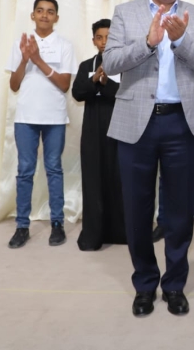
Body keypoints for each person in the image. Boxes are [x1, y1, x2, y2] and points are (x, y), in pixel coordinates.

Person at [103, 0, 194, 318]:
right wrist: (149, 42)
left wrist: (182, 40)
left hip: (181, 122)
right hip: (136, 122)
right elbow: (111, 62)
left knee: (180, 211)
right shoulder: (126, 13)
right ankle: (144, 284)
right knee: (137, 209)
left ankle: (174, 285)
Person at [5, 0, 78, 249]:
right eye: (40, 10)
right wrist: (25, 58)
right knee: (25, 171)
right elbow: (14, 85)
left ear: (56, 17)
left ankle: (57, 223)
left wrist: (37, 59)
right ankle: (22, 226)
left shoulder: (65, 45)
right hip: (25, 117)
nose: (45, 15)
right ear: (33, 15)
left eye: (50, 11)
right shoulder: (20, 44)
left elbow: (65, 84)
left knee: (54, 169)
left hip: (54, 117)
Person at [71, 18, 127, 251]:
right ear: (93, 40)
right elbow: (77, 92)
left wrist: (106, 84)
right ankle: (94, 234)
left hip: (121, 129)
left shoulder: (127, 64)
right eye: (99, 37)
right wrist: (94, 79)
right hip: (93, 131)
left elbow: (128, 94)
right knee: (93, 181)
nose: (104, 42)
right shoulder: (87, 65)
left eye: (109, 37)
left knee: (120, 180)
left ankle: (121, 233)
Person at [151, 73, 194, 247]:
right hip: (167, 122)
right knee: (165, 174)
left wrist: (181, 94)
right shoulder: (164, 61)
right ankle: (163, 223)